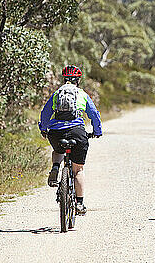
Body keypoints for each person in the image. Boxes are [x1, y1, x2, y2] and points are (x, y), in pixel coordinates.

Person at [39, 65, 102, 215]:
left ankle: (55, 167)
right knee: (78, 170)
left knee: (58, 149)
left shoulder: (57, 94)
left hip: (56, 132)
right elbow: (94, 114)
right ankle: (79, 204)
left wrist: (44, 128)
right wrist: (97, 131)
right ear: (78, 80)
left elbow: (45, 113)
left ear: (64, 79)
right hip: (77, 132)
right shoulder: (82, 94)